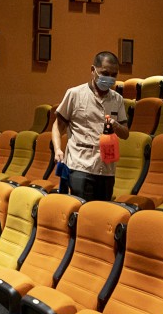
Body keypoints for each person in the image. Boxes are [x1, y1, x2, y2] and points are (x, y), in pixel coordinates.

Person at [52, 51, 130, 201]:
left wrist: (116, 126)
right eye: (105, 73)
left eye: (114, 75)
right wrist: (57, 149)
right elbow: (58, 125)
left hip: (106, 169)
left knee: (100, 216)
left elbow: (125, 134)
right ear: (93, 70)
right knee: (81, 214)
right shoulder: (74, 94)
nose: (109, 78)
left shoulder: (117, 99)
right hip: (79, 166)